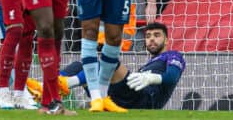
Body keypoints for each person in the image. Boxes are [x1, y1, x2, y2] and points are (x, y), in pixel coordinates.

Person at [28, 22, 186, 110]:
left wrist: (153, 78)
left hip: (144, 101)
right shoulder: (148, 64)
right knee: (82, 64)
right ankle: (48, 88)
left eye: (157, 35)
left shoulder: (173, 55)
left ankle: (62, 85)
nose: (151, 39)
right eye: (148, 36)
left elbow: (172, 77)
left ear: (166, 40)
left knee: (107, 62)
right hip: (119, 98)